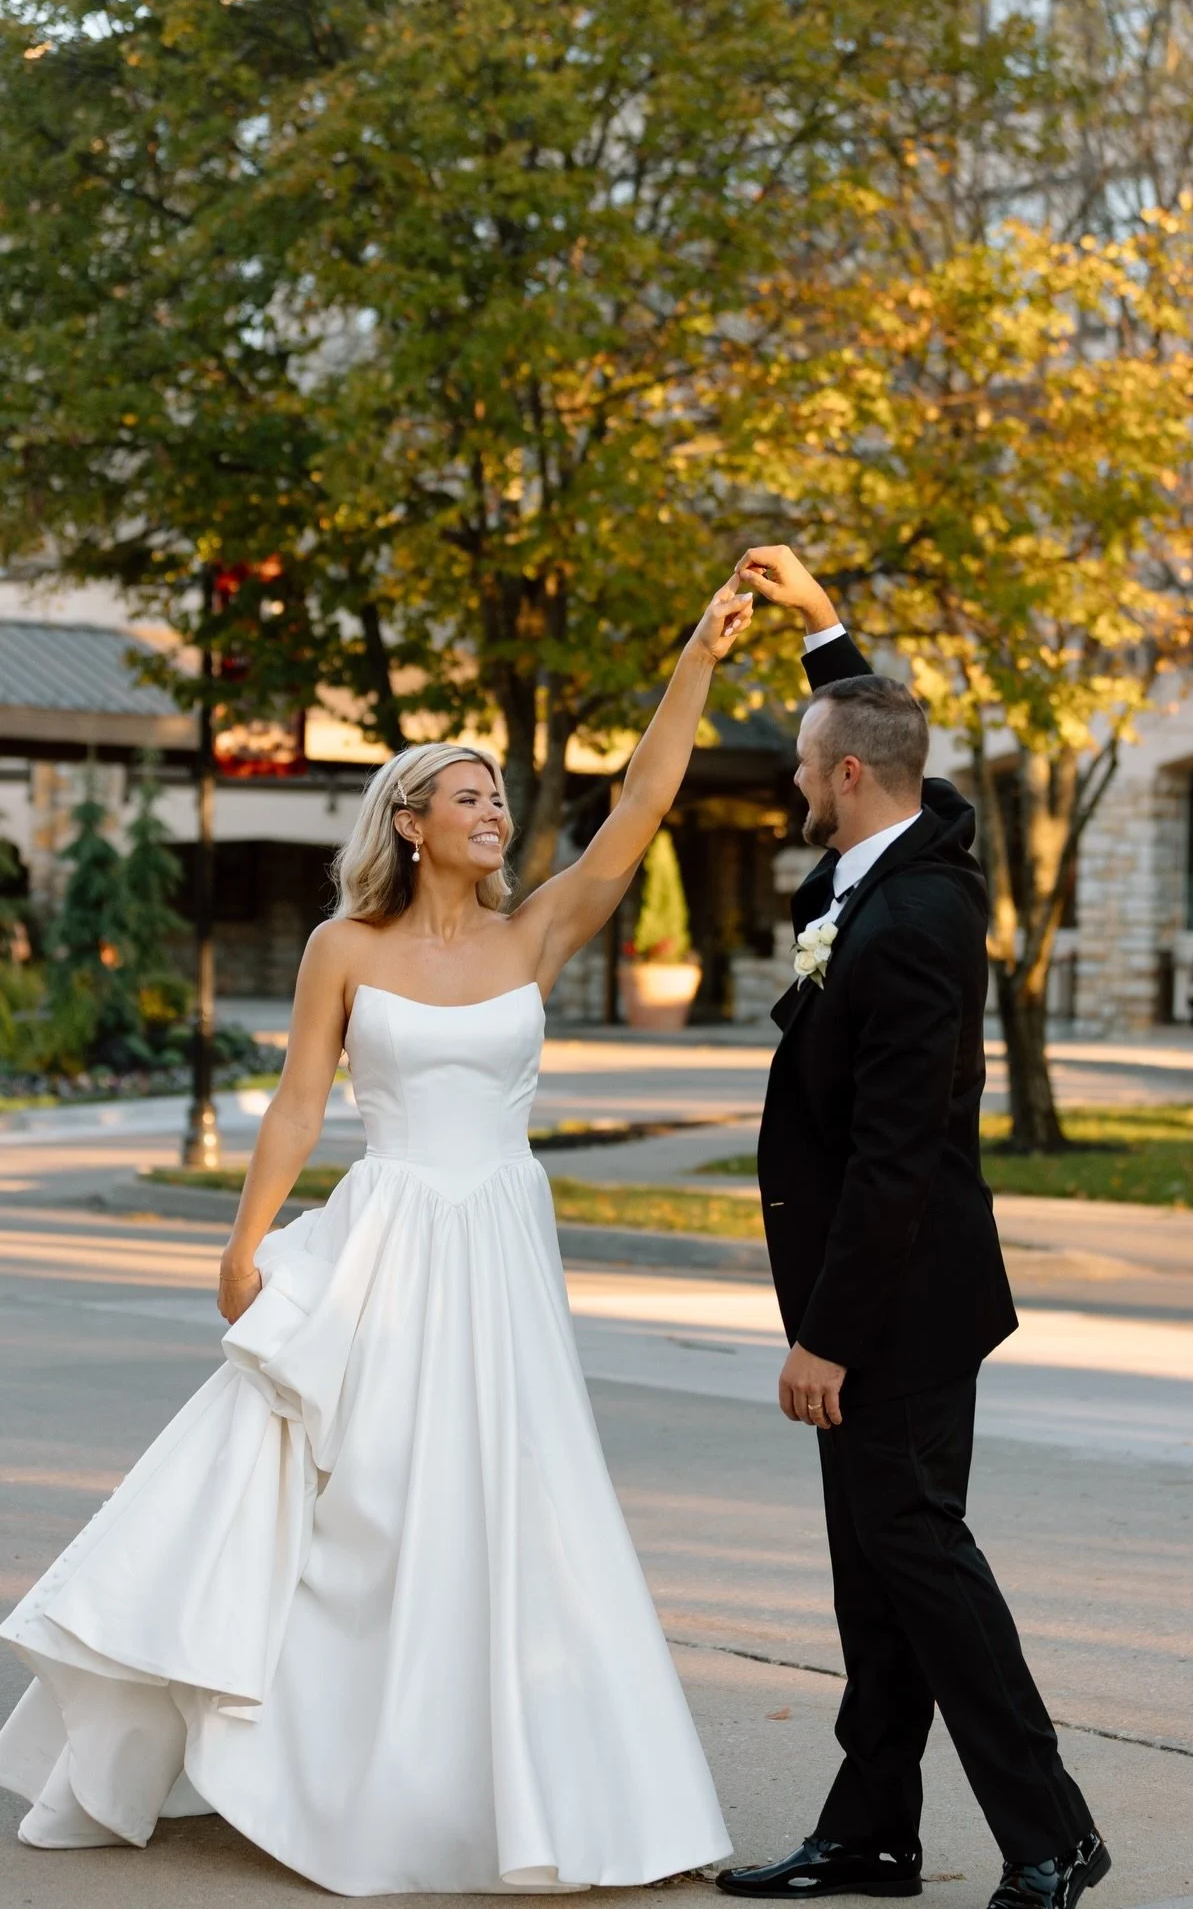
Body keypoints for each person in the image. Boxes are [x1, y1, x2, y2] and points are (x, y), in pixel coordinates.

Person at [0, 581, 755, 1895]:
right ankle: (326, 1770)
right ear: (408, 822)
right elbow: (299, 1104)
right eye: (468, 795)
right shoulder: (341, 947)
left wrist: (692, 657)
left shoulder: (536, 932)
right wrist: (242, 1249)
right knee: (375, 1511)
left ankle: (524, 1784)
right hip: (386, 1244)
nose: (493, 812)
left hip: (502, 1247)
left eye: (498, 797)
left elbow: (638, 807)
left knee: (514, 1501)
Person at [715, 548, 1108, 1909]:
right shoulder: (904, 844)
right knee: (875, 1578)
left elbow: (899, 1157)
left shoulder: (923, 912)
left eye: (804, 763)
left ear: (841, 781)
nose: (790, 781)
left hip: (901, 1305)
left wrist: (826, 1339)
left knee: (924, 1564)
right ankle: (873, 1831)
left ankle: (1050, 1832)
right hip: (881, 1296)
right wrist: (823, 629)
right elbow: (888, 735)